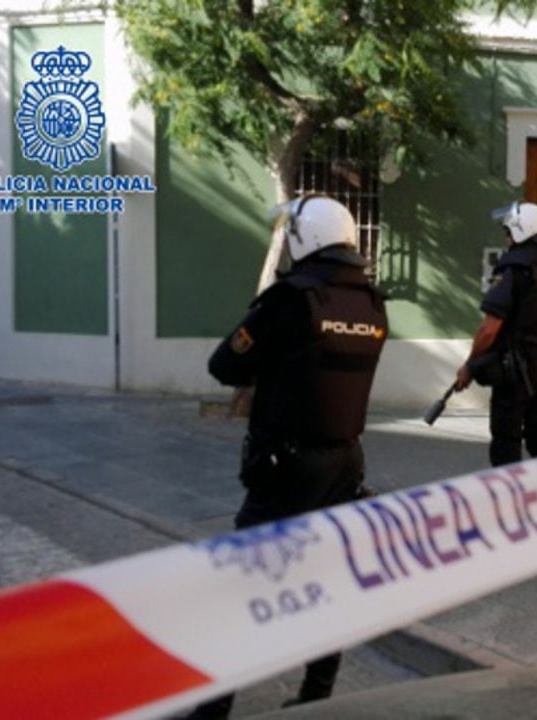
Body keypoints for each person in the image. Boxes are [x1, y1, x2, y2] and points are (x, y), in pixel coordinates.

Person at [191, 194, 388, 718]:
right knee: (329, 583)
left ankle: (211, 711)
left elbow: (225, 366)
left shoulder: (290, 299)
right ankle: (316, 696)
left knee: (237, 590)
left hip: (288, 468)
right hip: (346, 463)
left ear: (304, 238)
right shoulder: (372, 301)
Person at [454, 201, 537, 466]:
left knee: (506, 441)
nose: (507, 238)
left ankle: (509, 500)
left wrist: (469, 365)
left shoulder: (516, 267)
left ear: (521, 232)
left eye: (508, 232)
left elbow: (489, 329)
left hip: (515, 370)